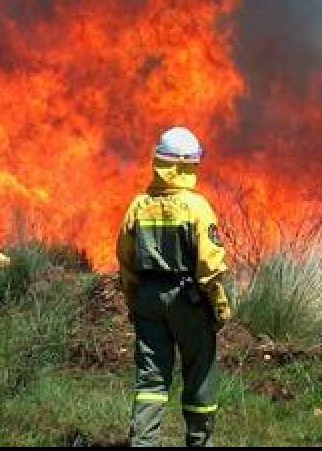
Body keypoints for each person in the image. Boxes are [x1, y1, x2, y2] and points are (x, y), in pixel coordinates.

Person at [116, 126, 233, 447]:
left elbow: (125, 263)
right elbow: (209, 267)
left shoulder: (138, 206)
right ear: (188, 165)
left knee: (150, 379)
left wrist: (133, 301)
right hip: (188, 300)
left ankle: (143, 443)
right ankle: (198, 442)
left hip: (147, 298)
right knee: (199, 374)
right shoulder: (196, 207)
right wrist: (220, 306)